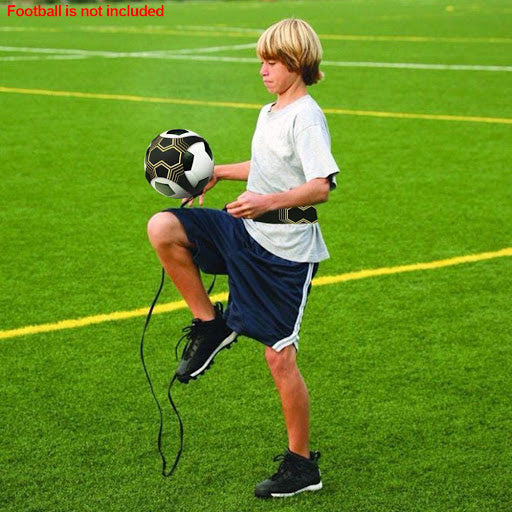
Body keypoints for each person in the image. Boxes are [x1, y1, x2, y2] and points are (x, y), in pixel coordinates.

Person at [147, 18, 340, 498]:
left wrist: (265, 201)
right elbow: (271, 166)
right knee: (163, 226)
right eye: (261, 60)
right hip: (245, 229)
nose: (263, 69)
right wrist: (220, 174)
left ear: (298, 63)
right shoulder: (271, 111)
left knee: (279, 358)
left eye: (272, 61)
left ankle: (301, 466)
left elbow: (321, 185)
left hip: (284, 253)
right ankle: (211, 323)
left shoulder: (306, 116)